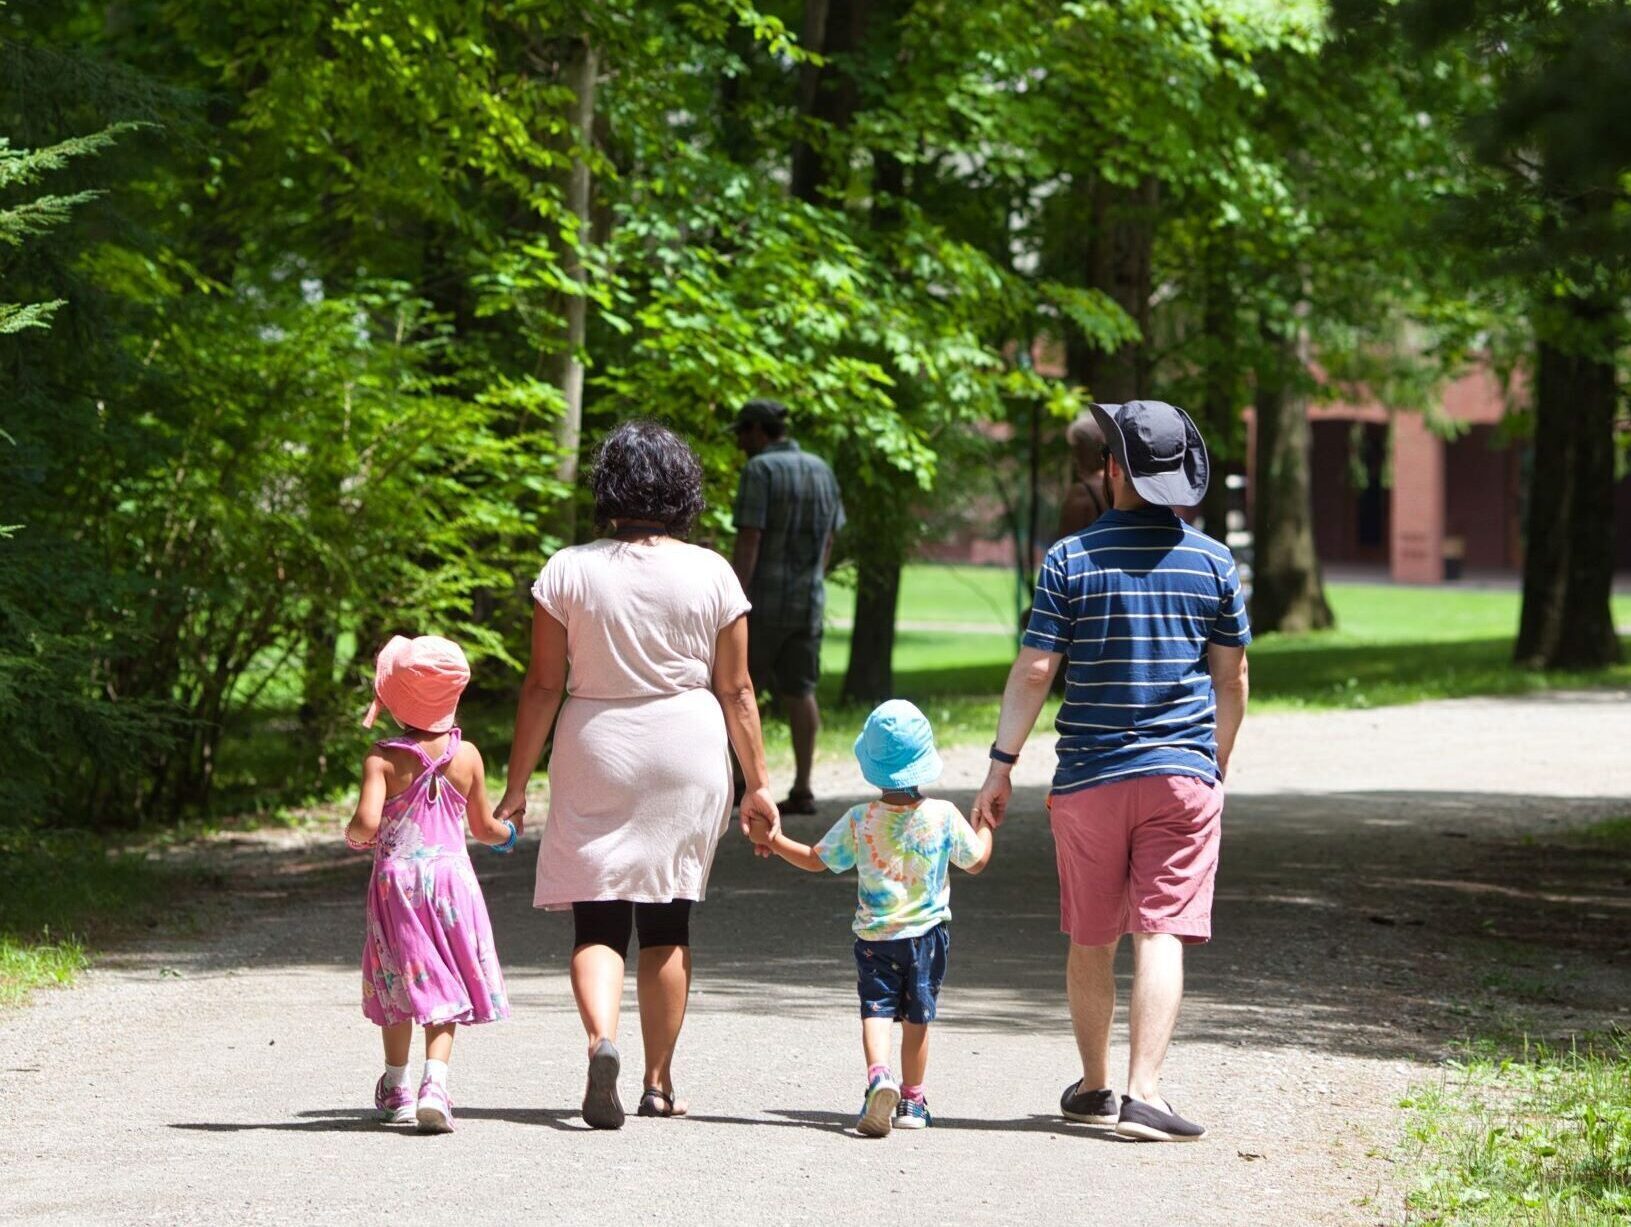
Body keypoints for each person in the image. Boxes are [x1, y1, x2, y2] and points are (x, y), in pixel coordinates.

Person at [971, 399, 1250, 1144]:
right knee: (1158, 931)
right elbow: (1232, 680)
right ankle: (1144, 1092)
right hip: (1180, 776)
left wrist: (1000, 766)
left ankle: (1094, 1088)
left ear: (1113, 469)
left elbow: (1034, 670)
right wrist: (1209, 763)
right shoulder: (1213, 561)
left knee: (1091, 932)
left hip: (1089, 775)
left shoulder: (1069, 558)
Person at [495, 420, 780, 1130]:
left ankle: (601, 1042)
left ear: (608, 488)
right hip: (685, 744)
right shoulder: (713, 571)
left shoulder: (567, 569)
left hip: (597, 741)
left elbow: (539, 685)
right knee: (667, 914)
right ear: (683, 488)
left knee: (596, 912)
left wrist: (515, 784)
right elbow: (737, 690)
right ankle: (657, 1081)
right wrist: (759, 785)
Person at [750, 699, 993, 1137]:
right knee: (917, 1018)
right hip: (926, 938)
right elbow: (976, 862)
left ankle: (879, 1077)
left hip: (875, 938)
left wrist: (776, 839)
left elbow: (815, 860)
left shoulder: (860, 820)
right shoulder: (943, 816)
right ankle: (913, 1101)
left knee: (876, 1010)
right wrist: (987, 825)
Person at [344, 634, 516, 1135]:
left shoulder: (382, 757)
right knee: (447, 979)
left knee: (399, 975)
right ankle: (435, 1084)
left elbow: (366, 823)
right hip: (452, 881)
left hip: (398, 883)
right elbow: (485, 830)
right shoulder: (468, 757)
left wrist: (353, 838)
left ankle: (396, 1086)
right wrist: (509, 835)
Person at [731, 399, 845, 815]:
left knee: (740, 689)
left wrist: (734, 595)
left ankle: (741, 783)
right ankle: (803, 786)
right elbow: (831, 537)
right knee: (801, 692)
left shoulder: (759, 470)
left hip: (760, 602)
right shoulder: (822, 470)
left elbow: (750, 539)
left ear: (760, 431)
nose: (740, 442)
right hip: (808, 601)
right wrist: (814, 576)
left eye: (743, 433)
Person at [1056, 411, 1110, 538]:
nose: (1075, 459)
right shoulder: (1125, 486)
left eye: (1078, 449)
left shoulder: (1082, 493)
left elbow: (1065, 550)